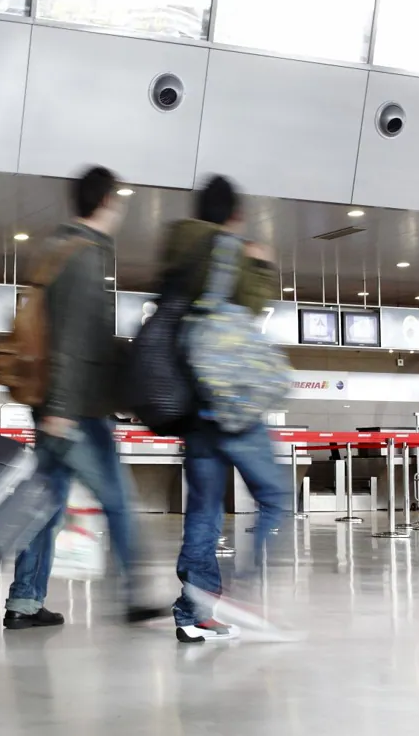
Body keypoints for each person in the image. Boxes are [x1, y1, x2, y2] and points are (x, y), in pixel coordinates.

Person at [4, 165, 162, 630]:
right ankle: (135, 594)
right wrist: (61, 409)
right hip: (76, 413)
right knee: (118, 500)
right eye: (118, 203)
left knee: (45, 506)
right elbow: (73, 339)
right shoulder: (85, 257)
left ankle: (24, 602)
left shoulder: (57, 249)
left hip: (57, 408)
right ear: (108, 202)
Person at [160, 174, 289, 643]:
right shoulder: (227, 251)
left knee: (204, 512)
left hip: (194, 406)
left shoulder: (176, 251)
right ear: (233, 214)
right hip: (231, 402)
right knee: (277, 498)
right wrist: (259, 266)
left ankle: (194, 613)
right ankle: (239, 586)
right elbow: (250, 309)